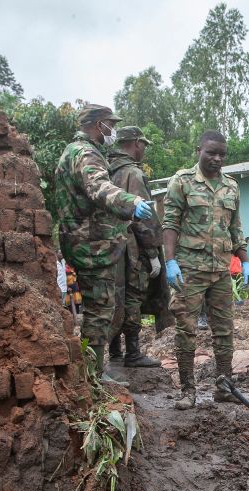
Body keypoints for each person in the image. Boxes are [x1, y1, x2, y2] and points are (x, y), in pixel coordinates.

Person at [54, 103, 155, 381]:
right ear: (99, 125)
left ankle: (93, 371)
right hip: (91, 245)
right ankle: (94, 375)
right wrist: (131, 202)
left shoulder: (73, 151)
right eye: (111, 123)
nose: (113, 129)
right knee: (100, 310)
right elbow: (98, 187)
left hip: (83, 241)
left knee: (99, 309)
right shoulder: (86, 153)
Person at [162, 130, 249, 410]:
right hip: (189, 269)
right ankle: (188, 391)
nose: (216, 158)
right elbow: (170, 224)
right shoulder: (182, 181)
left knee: (224, 330)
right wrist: (170, 261)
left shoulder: (231, 186)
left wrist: (245, 260)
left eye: (222, 155)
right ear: (198, 150)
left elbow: (235, 227)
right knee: (186, 329)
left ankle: (224, 387)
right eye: (211, 152)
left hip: (220, 270)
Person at [106, 126, 163, 369]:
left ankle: (115, 352)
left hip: (109, 247)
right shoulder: (133, 174)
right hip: (132, 249)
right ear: (136, 143)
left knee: (114, 297)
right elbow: (145, 220)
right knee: (133, 297)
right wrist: (152, 254)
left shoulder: (105, 171)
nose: (144, 150)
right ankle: (133, 352)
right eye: (144, 145)